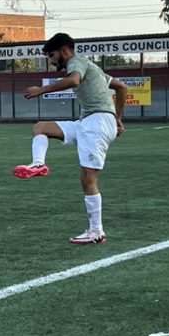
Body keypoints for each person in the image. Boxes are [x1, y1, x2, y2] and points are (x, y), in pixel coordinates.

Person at [12, 33, 127, 245]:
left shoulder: (76, 62)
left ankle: (96, 231)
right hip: (88, 122)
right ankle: (38, 164)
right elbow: (120, 87)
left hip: (97, 123)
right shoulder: (92, 67)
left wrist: (41, 90)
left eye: (52, 55)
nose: (51, 60)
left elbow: (73, 80)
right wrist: (117, 118)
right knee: (41, 128)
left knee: (87, 178)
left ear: (64, 51)